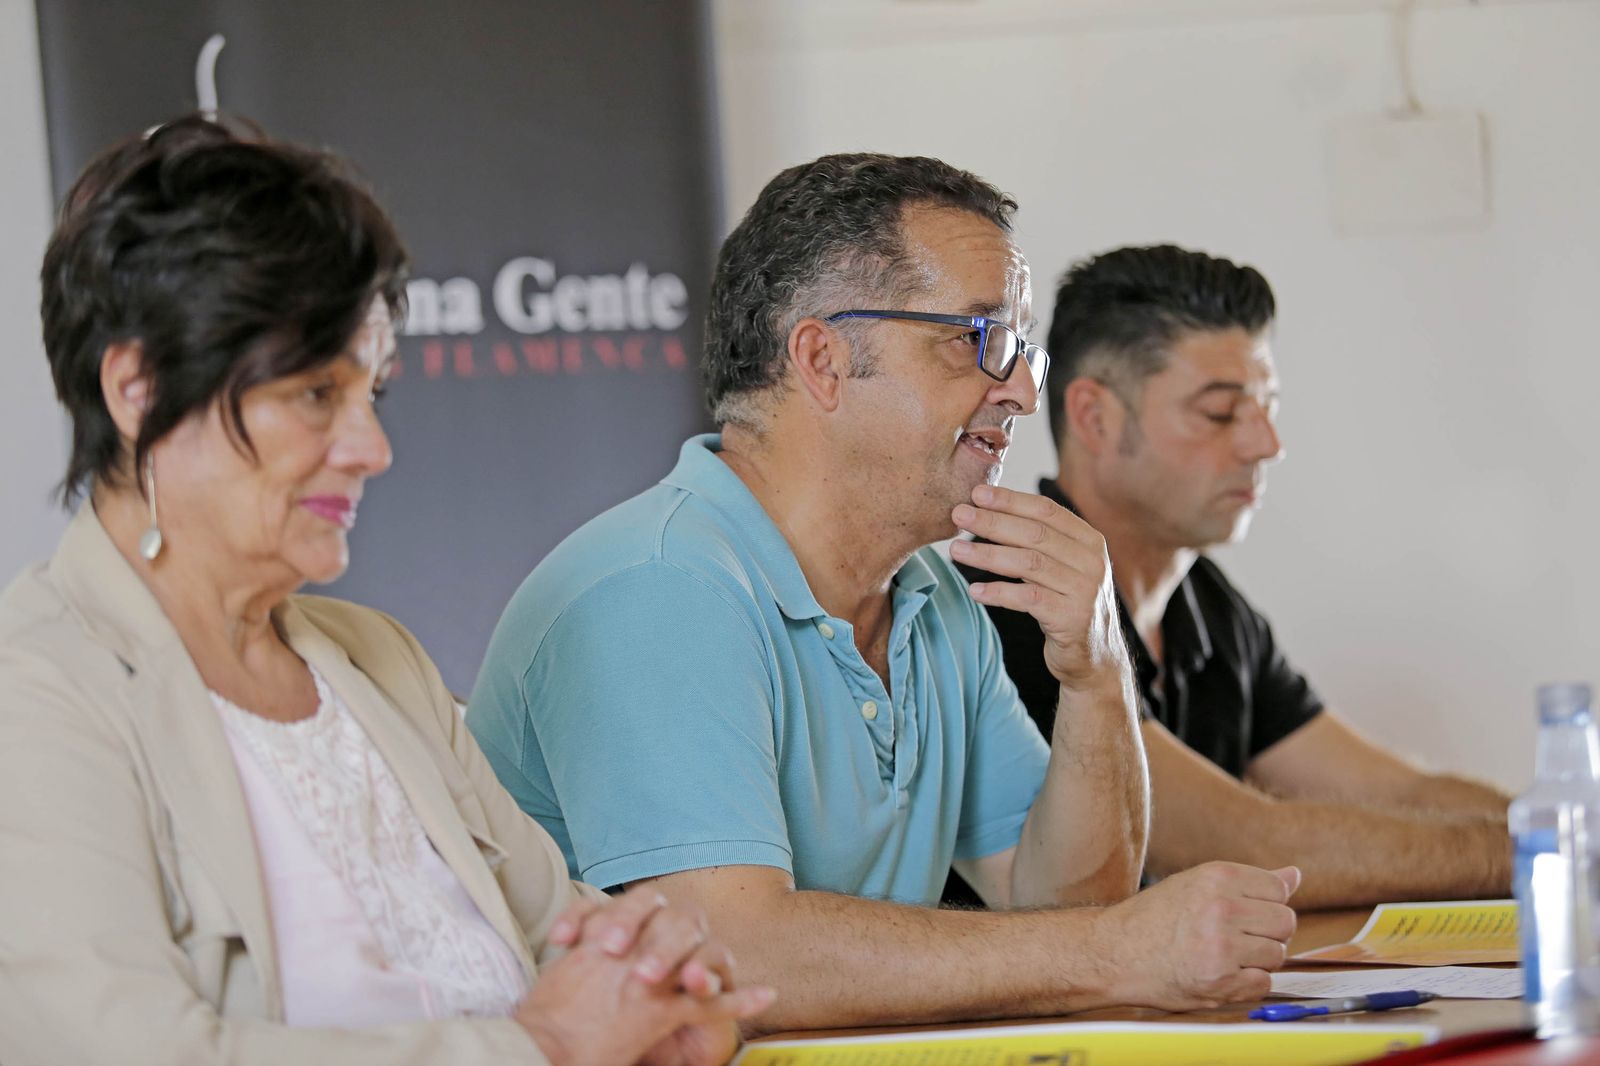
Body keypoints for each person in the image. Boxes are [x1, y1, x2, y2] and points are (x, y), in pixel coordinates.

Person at [0, 114, 772, 1066]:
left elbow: (578, 942)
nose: (373, 449)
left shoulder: (382, 662)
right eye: (317, 394)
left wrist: (668, 1004)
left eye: (375, 395)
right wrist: (540, 1049)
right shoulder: (34, 690)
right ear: (139, 389)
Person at [468, 154, 1300, 1034]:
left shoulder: (936, 592)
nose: (1018, 391)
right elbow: (733, 952)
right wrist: (1117, 951)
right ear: (822, 360)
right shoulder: (655, 585)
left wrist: (1095, 675)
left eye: (1019, 348)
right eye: (976, 339)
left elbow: (1058, 901)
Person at [957, 243, 1510, 910]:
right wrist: (1541, 852)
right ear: (1095, 417)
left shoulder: (1208, 602)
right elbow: (1248, 841)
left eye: (1266, 407)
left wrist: (1561, 827)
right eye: (1221, 412)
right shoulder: (1011, 596)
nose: (1264, 445)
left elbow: (1402, 794)